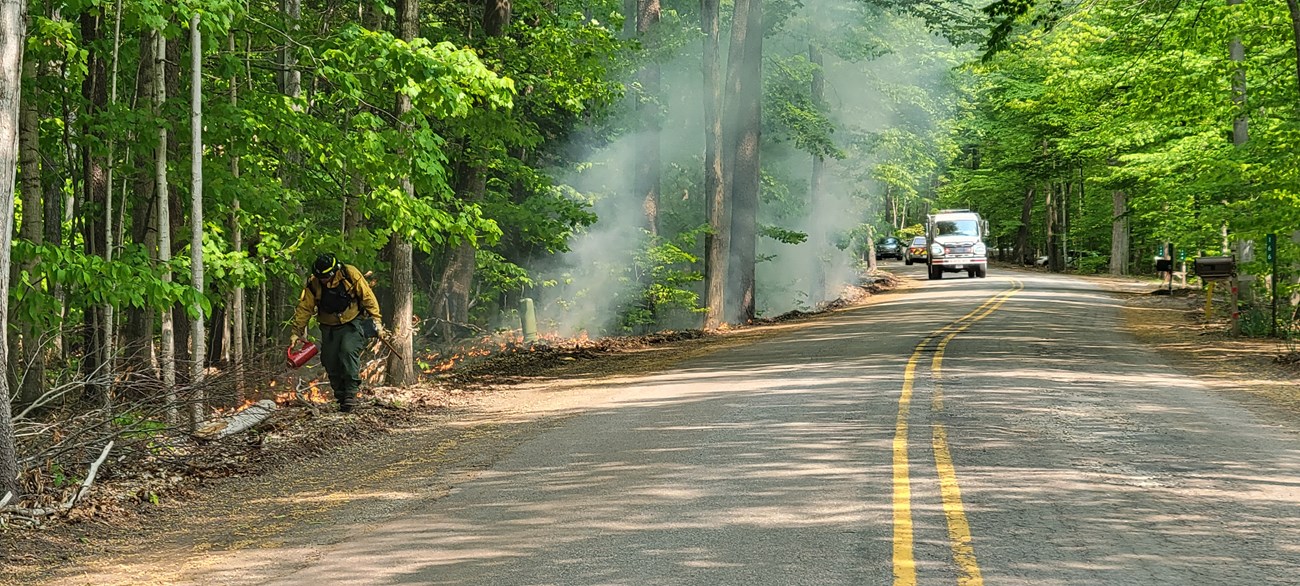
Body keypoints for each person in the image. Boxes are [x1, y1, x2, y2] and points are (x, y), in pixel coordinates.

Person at [289, 253, 386, 413]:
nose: (324, 280)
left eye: (327, 276)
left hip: (352, 322)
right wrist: (296, 332)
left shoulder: (350, 274)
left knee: (347, 351)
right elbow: (305, 308)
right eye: (321, 277)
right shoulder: (314, 284)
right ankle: (341, 398)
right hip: (328, 326)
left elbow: (368, 297)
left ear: (335, 271)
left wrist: (377, 320)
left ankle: (351, 394)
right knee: (329, 359)